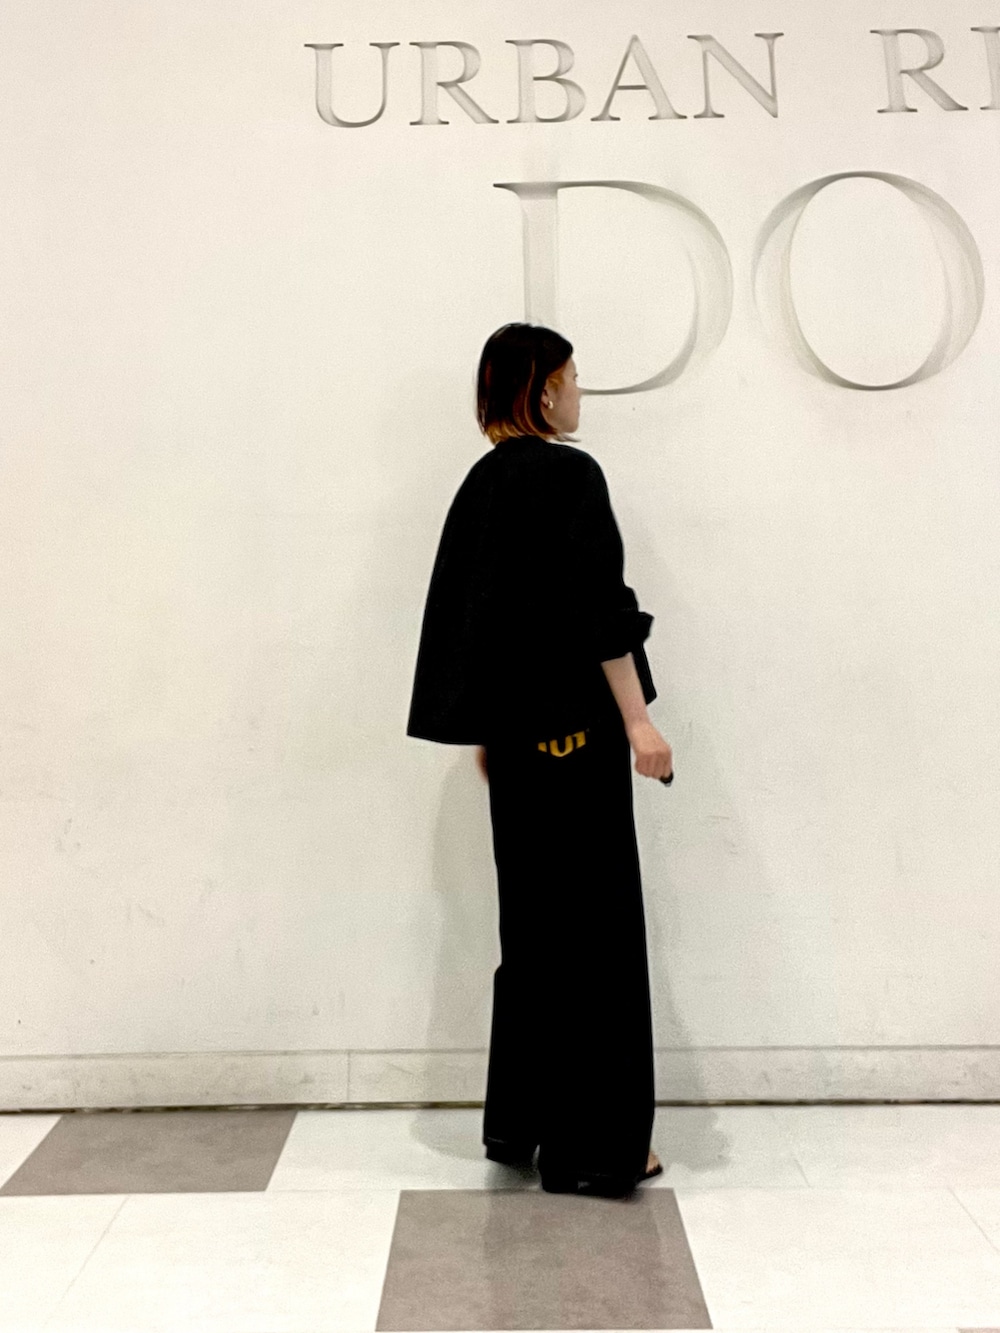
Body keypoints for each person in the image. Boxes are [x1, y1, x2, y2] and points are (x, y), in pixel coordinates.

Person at [406, 322, 673, 1198]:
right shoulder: (569, 476)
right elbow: (601, 614)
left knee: (532, 937)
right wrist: (639, 724)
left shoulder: (480, 485)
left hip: (517, 756)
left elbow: (478, 627)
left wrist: (489, 737)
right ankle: (600, 1147)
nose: (579, 392)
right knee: (597, 940)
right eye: (572, 378)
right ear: (543, 390)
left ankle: (521, 1123)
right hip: (579, 746)